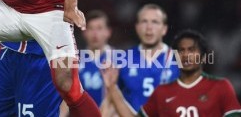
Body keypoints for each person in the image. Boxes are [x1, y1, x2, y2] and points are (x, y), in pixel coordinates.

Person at [102, 29, 241, 116]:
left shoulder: (221, 87)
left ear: (204, 57)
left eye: (192, 50)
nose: (186, 55)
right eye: (181, 51)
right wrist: (113, 88)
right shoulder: (162, 92)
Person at [115, 3, 180, 114]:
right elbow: (111, 101)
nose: (149, 27)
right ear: (137, 27)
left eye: (155, 22)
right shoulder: (123, 59)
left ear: (164, 29)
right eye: (144, 21)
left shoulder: (179, 60)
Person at [78, 10, 115, 116]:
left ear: (108, 32)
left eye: (99, 28)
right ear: (84, 32)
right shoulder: (75, 59)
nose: (95, 33)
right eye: (91, 28)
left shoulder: (120, 59)